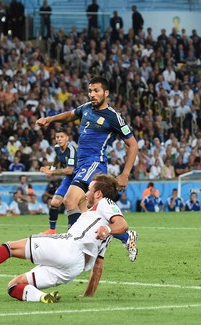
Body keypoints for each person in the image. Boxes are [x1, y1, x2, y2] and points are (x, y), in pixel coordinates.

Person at [0, 174, 128, 303]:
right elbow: (98, 267)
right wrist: (88, 296)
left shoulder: (106, 203)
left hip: (69, 247)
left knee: (10, 248)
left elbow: (122, 224)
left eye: (89, 189)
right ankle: (42, 298)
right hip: (73, 269)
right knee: (14, 285)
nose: (86, 193)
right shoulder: (98, 223)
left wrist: (108, 228)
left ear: (98, 194)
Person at [36, 76, 139, 262]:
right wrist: (50, 119)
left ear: (106, 93)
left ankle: (72, 246)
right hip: (82, 165)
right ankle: (126, 237)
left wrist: (124, 174)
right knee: (90, 215)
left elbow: (133, 145)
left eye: (96, 91)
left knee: (69, 199)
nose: (92, 94)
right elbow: (69, 115)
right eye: (90, 91)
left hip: (94, 163)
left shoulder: (113, 117)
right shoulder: (86, 108)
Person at [39, 128, 77, 234]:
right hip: (69, 179)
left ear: (67, 138)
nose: (59, 139)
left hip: (79, 178)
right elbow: (57, 159)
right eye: (57, 137)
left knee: (74, 205)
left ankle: (77, 231)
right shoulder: (56, 148)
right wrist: (52, 169)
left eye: (62, 137)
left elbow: (70, 170)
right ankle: (52, 230)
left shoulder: (72, 149)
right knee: (54, 202)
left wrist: (52, 172)